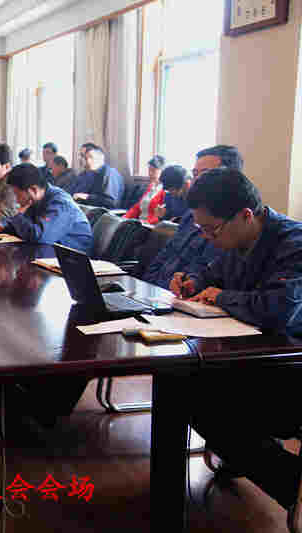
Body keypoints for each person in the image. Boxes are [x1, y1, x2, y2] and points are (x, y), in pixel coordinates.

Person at [179, 168, 302, 514]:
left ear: (246, 215)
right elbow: (212, 273)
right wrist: (193, 281)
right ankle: (272, 470)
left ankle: (289, 485)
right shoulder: (237, 240)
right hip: (257, 358)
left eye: (211, 229)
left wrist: (220, 297)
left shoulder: (294, 244)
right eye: (200, 229)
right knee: (185, 386)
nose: (206, 237)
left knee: (199, 397)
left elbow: (279, 309)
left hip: (291, 365)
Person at [142, 145, 243, 289]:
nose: (197, 181)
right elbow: (164, 256)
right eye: (195, 174)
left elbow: (201, 276)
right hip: (157, 292)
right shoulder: (190, 215)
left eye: (206, 174)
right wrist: (147, 288)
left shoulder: (231, 226)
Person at [0, 164, 92, 252]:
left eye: (17, 194)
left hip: (72, 257)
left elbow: (40, 237)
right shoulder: (35, 199)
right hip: (50, 253)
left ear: (33, 190)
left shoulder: (60, 203)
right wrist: (4, 227)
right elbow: (27, 228)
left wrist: (18, 215)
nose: (16, 200)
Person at [123, 155, 166, 221]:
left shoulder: (164, 191)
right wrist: (124, 218)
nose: (150, 173)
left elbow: (160, 216)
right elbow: (137, 207)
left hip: (149, 225)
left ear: (162, 171)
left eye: (153, 170)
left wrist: (145, 223)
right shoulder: (151, 186)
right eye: (149, 170)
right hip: (140, 222)